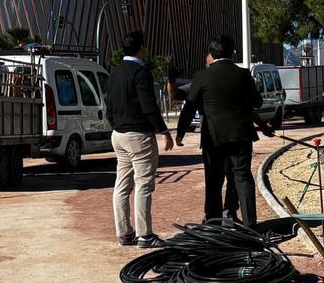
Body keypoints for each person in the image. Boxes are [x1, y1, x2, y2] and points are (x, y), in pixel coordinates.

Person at [176, 35, 271, 226]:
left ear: (211, 54)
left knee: (213, 181)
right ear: (233, 53)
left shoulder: (202, 76)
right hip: (240, 137)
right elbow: (257, 102)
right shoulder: (243, 75)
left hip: (213, 138)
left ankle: (213, 224)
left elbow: (189, 107)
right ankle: (250, 225)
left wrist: (180, 133)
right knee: (242, 178)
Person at [106, 30, 173, 248]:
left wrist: (115, 124)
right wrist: (163, 131)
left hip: (118, 134)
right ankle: (145, 235)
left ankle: (124, 233)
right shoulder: (141, 72)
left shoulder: (115, 72)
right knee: (143, 184)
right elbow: (148, 105)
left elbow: (109, 104)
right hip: (138, 135)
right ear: (141, 48)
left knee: (122, 185)